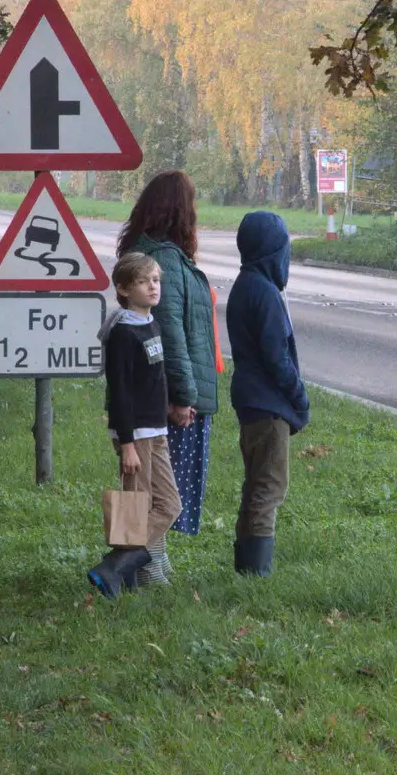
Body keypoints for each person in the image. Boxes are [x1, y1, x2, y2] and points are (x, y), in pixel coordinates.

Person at [117, 170, 219, 546]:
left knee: (147, 496)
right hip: (168, 401)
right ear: (179, 211)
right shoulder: (164, 263)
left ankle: (145, 568)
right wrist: (184, 398)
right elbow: (171, 335)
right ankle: (128, 565)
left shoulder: (153, 256)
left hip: (157, 398)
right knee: (158, 499)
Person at [87, 253, 184, 598]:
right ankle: (121, 578)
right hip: (135, 434)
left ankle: (115, 565)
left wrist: (170, 407)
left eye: (155, 280)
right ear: (124, 289)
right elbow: (122, 393)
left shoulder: (150, 323)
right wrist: (126, 444)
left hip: (156, 429)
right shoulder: (123, 333)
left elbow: (154, 379)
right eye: (143, 282)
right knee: (135, 506)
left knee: (170, 505)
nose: (152, 286)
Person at [225, 210, 310, 575]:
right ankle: (257, 572)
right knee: (269, 487)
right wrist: (299, 397)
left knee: (255, 483)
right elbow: (277, 357)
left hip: (249, 399)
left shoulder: (245, 285)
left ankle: (246, 565)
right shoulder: (265, 292)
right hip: (268, 402)